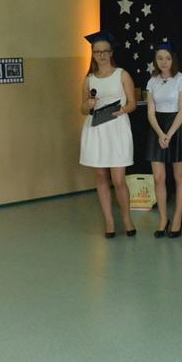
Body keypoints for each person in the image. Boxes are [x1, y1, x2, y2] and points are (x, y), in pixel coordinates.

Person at [79, 31, 137, 238]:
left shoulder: (122, 74)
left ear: (111, 53)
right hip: (96, 129)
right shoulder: (89, 79)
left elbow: (133, 103)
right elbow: (82, 109)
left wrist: (122, 110)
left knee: (118, 179)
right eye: (97, 52)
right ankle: (109, 222)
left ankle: (127, 219)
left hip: (117, 127)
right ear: (93, 54)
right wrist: (88, 104)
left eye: (105, 51)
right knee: (101, 176)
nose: (101, 55)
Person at [145, 42, 182, 238]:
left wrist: (170, 134)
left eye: (167, 58)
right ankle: (163, 219)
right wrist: (160, 133)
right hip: (157, 129)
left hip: (176, 129)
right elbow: (150, 112)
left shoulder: (181, 79)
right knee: (159, 177)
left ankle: (178, 218)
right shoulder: (152, 81)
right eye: (160, 58)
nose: (164, 62)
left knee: (179, 176)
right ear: (155, 60)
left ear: (173, 59)